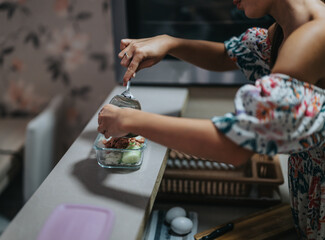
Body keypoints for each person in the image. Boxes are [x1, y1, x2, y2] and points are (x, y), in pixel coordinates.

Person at [98, 0, 325, 238]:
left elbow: (235, 147)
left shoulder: (314, 36)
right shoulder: (283, 30)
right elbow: (227, 56)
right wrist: (170, 43)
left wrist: (128, 120)